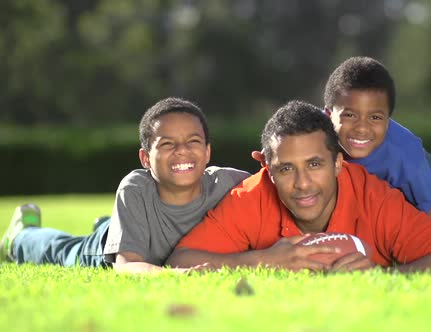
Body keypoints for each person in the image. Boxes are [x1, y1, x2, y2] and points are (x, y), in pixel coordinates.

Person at [166, 101, 431, 272]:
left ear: (339, 163)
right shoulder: (252, 195)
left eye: (315, 164)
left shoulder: (374, 198)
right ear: (267, 170)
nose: (302, 184)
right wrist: (263, 259)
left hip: (424, 184)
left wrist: (381, 275)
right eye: (286, 169)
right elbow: (180, 260)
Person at [0, 97, 250, 273]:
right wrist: (176, 275)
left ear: (207, 152)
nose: (182, 151)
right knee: (63, 251)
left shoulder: (230, 183)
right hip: (102, 252)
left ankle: (110, 224)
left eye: (193, 141)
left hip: (132, 229)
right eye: (167, 144)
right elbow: (126, 264)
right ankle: (21, 236)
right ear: (145, 159)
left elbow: (275, 188)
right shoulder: (136, 188)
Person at [322, 56, 431, 256]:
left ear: (388, 120)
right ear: (328, 115)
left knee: (429, 243)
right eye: (350, 115)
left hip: (419, 181)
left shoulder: (403, 153)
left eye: (375, 117)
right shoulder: (310, 137)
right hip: (368, 198)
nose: (362, 128)